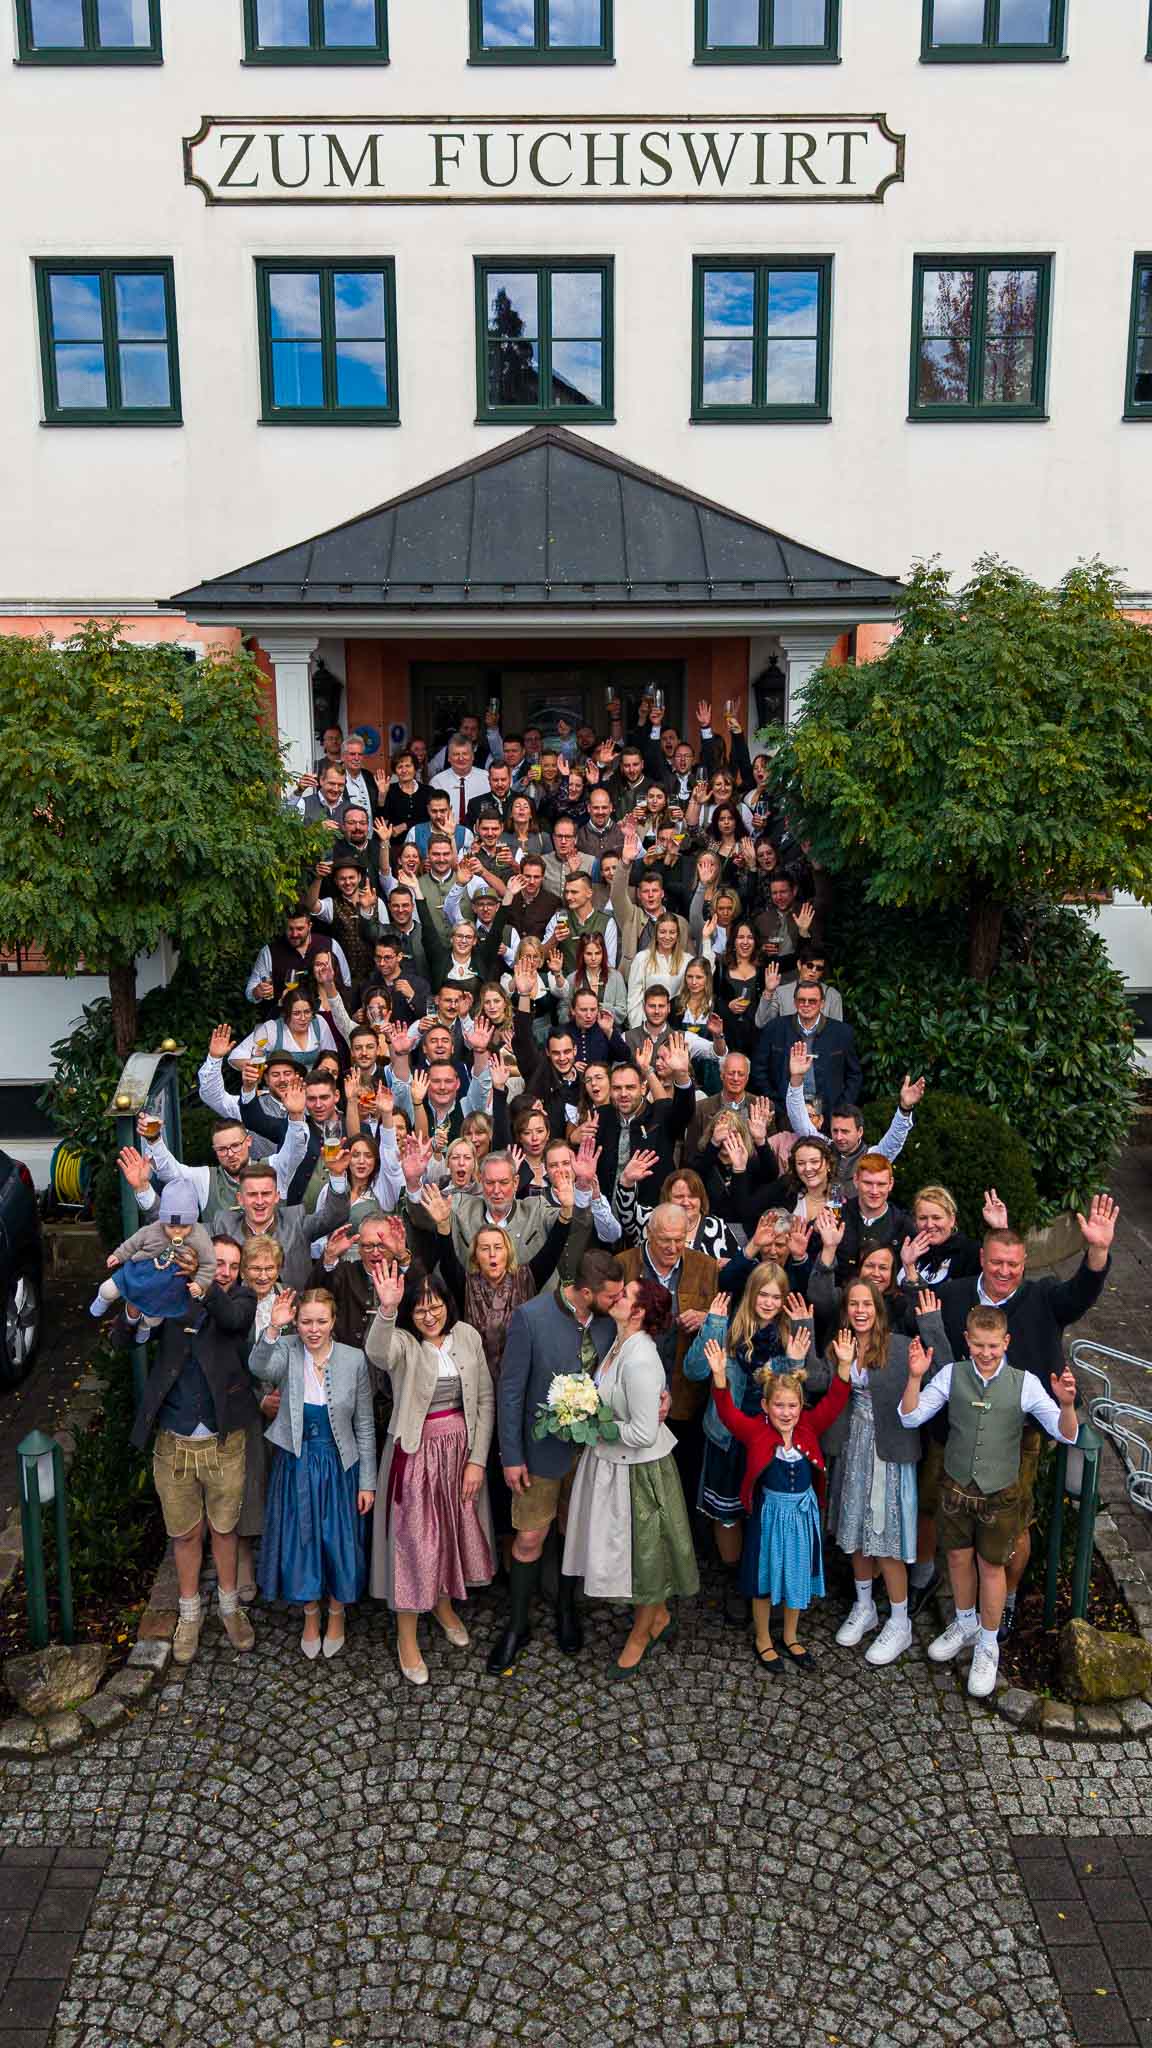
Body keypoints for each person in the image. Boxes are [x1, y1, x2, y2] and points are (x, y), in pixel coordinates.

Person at [933, 1193, 1118, 1640]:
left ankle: (1005, 1602)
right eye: (997, 1262)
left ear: (1025, 1263)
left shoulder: (1042, 1297)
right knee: (958, 1529)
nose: (1005, 1272)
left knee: (1012, 1530)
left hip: (1022, 1437)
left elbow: (1081, 1294)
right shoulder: (953, 1295)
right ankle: (963, 1611)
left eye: (1014, 1265)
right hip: (959, 1435)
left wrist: (1097, 1251)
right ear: (982, 1258)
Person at [900, 1303, 1080, 1697]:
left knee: (992, 1566)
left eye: (993, 1346)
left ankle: (987, 1643)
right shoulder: (951, 1375)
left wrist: (1067, 1405)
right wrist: (915, 1378)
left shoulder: (1026, 1383)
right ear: (967, 1340)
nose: (985, 1352)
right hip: (957, 1490)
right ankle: (965, 1622)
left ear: (1006, 1342)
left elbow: (1066, 1435)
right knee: (958, 1558)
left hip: (1000, 1494)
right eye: (978, 1344)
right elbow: (910, 1418)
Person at [486, 1249, 625, 1673]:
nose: (618, 1302)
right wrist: (511, 1456)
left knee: (571, 1532)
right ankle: (518, 1625)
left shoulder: (611, 1322)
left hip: (591, 1455)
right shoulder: (531, 1317)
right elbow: (511, 1391)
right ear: (585, 1292)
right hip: (539, 1452)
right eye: (611, 1296)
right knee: (529, 1539)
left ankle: (567, 1607)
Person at [129, 1237, 260, 1665]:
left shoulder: (240, 1298)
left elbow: (233, 1318)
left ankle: (228, 1608)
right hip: (174, 1437)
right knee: (184, 1534)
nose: (224, 1269)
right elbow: (126, 1336)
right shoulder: (171, 1292)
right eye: (216, 1262)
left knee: (225, 1528)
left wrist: (205, 1287)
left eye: (231, 1265)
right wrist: (134, 1308)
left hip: (224, 1440)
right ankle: (189, 1615)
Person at [562, 1278, 699, 1675]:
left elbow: (643, 1433)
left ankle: (643, 1634)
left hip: (639, 1474)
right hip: (612, 1465)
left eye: (624, 1296)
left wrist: (593, 1424)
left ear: (637, 1312)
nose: (615, 1296)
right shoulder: (618, 1341)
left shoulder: (640, 1358)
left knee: (647, 1560)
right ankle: (657, 1620)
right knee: (638, 1557)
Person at [367, 1264, 496, 1685]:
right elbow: (377, 1353)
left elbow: (485, 1401)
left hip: (460, 1452)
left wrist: (477, 1460)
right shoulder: (403, 1343)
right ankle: (407, 1635)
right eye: (420, 1309)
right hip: (417, 1454)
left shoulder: (467, 1337)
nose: (429, 1316)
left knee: (450, 1534)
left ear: (447, 1304)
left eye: (435, 1306)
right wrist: (387, 1310)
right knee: (414, 1540)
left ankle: (442, 1604)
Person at [821, 1280, 952, 1669]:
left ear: (878, 1308)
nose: (860, 1310)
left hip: (888, 1453)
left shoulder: (897, 1347)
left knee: (886, 1539)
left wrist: (931, 1324)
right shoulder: (839, 1345)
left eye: (867, 1303)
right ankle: (865, 1607)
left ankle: (900, 1621)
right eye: (853, 1304)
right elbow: (815, 1381)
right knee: (857, 1534)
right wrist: (805, 1331)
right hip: (852, 1449)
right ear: (846, 1310)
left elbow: (942, 1372)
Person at [705, 1343, 852, 1671]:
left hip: (801, 1517)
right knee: (764, 1579)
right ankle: (762, 1638)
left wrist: (843, 1366)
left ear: (801, 1406)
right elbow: (727, 1412)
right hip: (769, 1518)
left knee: (796, 1576)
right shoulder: (755, 1431)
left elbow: (836, 1401)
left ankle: (790, 1635)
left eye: (792, 1406)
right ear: (765, 1406)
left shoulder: (808, 1428)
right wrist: (718, 1376)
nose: (786, 1413)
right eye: (779, 1406)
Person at [251, 1286, 376, 1659]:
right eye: (306, 1321)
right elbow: (259, 1368)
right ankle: (310, 1614)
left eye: (321, 1321)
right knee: (302, 1541)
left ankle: (336, 1613)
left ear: (334, 1321)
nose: (313, 1329)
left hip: (340, 1467)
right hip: (297, 1463)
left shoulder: (354, 1360)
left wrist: (367, 1481)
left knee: (338, 1541)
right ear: (297, 1322)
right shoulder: (286, 1350)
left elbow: (365, 1425)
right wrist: (273, 1328)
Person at [684, 1268, 812, 1625]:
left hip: (769, 1441)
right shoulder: (726, 1329)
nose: (769, 1303)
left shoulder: (790, 1335)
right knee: (728, 1517)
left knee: (764, 1514)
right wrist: (711, 1324)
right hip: (727, 1437)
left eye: (776, 1296)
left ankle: (761, 1581)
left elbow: (799, 1390)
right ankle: (735, 1581)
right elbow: (694, 1370)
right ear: (751, 1294)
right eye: (763, 1295)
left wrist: (797, 1359)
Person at [91, 1181, 215, 1338]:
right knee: (108, 1290)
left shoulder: (200, 1236)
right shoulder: (153, 1229)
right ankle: (103, 1299)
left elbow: (209, 1263)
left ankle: (145, 1328)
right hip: (142, 1271)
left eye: (184, 1227)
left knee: (154, 1318)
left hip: (170, 1284)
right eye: (171, 1226)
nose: (177, 1231)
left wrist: (200, 1283)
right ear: (163, 1220)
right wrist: (118, 1255)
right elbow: (134, 1242)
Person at [751, 984, 863, 1113]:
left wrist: (841, 1107)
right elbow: (759, 1070)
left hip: (829, 1113)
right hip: (785, 1110)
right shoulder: (775, 1028)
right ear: (794, 1002)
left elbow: (854, 1075)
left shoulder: (842, 1032)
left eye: (812, 1001)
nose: (806, 1004)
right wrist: (776, 1102)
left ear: (822, 1004)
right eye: (801, 1000)